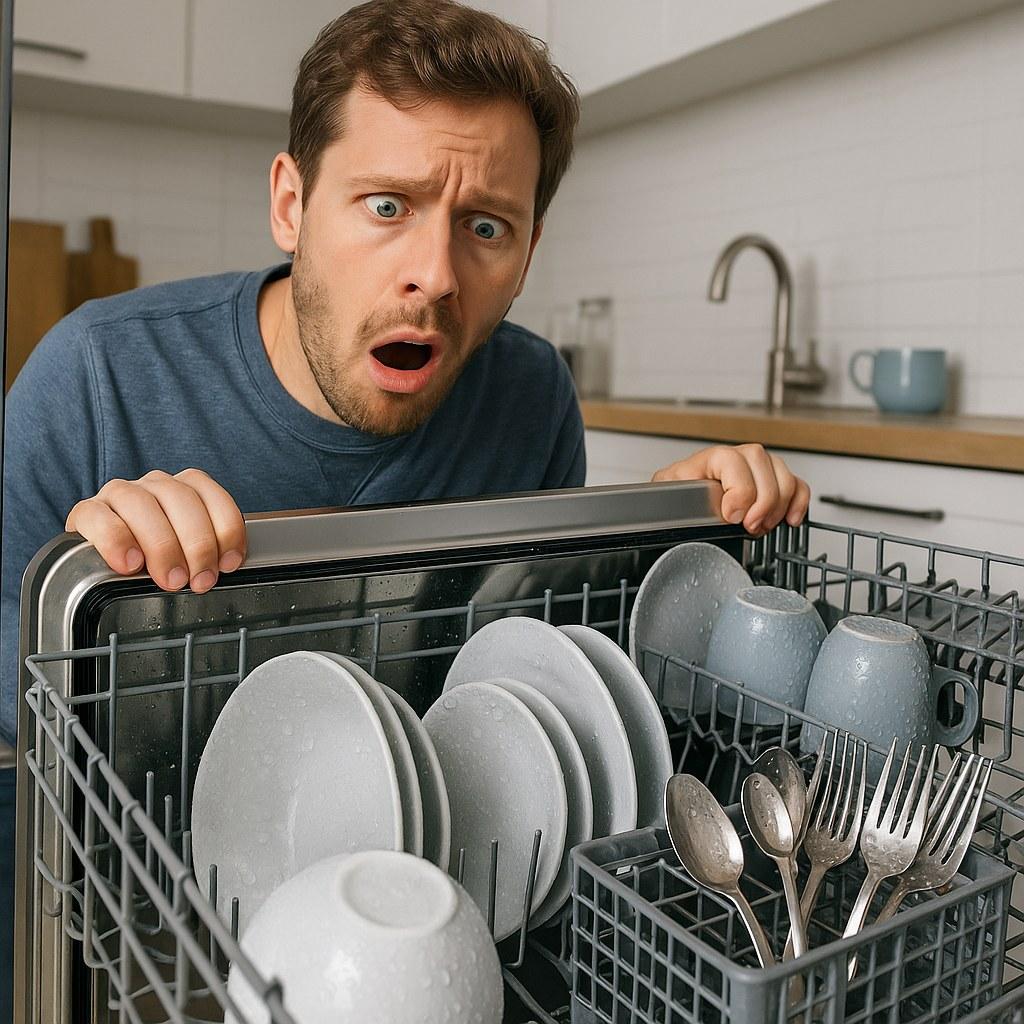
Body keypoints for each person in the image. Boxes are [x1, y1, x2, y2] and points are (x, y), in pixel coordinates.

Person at [0, 0, 810, 1014]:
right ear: (291, 203)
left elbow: (518, 673)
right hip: (139, 936)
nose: (433, 276)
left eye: (485, 227)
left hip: (423, 937)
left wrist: (655, 557)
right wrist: (92, 589)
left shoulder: (531, 396)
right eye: (387, 205)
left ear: (528, 248)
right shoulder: (97, 375)